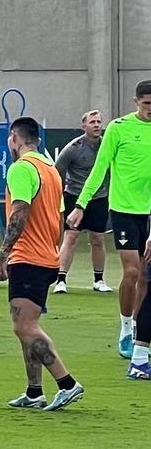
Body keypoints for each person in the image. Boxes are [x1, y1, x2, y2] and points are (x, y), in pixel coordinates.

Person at [0, 117, 84, 410]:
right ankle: (34, 392)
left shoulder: (21, 169)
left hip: (28, 258)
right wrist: (51, 249)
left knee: (25, 327)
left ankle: (67, 383)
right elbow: (58, 221)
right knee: (26, 325)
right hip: (47, 256)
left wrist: (3, 255)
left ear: (14, 138)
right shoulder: (50, 170)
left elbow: (18, 213)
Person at [68, 80, 151, 361]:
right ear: (136, 101)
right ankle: (126, 327)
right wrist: (81, 204)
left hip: (150, 214)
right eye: (147, 103)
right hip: (125, 211)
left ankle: (141, 328)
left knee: (147, 276)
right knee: (132, 273)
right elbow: (100, 169)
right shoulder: (119, 129)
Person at [53, 110, 110, 295]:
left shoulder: (107, 145)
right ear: (83, 126)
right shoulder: (73, 148)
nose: (96, 125)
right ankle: (60, 280)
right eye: (92, 122)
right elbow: (56, 172)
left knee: (98, 239)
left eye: (99, 122)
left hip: (99, 198)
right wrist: (59, 196)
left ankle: (98, 280)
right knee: (71, 237)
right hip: (75, 197)